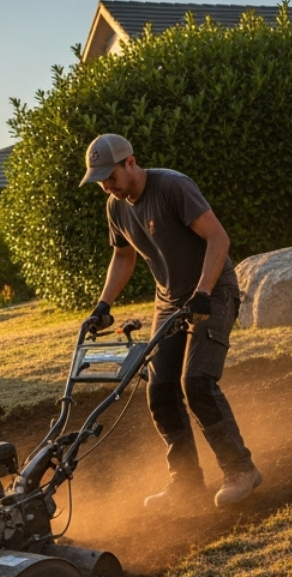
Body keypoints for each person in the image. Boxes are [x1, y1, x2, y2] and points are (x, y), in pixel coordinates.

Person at [79, 133, 261, 510]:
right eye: (99, 180)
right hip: (169, 301)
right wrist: (103, 305)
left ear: (130, 162)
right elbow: (123, 257)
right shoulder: (116, 207)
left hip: (214, 290)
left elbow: (218, 239)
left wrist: (203, 292)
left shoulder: (173, 187)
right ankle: (185, 482)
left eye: (110, 176)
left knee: (196, 380)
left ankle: (240, 470)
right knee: (160, 388)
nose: (106, 186)